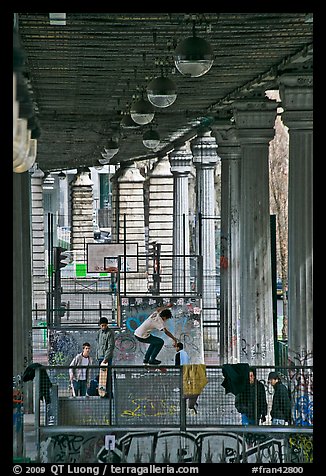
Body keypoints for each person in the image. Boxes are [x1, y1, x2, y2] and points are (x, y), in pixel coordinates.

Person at [96, 317, 115, 397]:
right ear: (100, 325)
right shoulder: (99, 332)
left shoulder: (110, 333)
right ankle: (102, 391)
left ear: (107, 325)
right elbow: (98, 345)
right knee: (101, 377)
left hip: (106, 358)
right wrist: (97, 356)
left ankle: (109, 393)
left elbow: (110, 346)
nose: (103, 327)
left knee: (107, 375)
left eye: (105, 325)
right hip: (100, 357)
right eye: (102, 325)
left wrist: (106, 359)